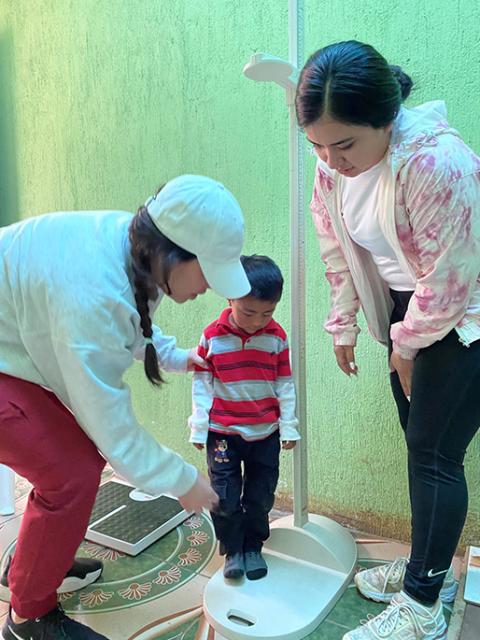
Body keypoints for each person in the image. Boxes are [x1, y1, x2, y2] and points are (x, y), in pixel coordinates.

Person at [0, 174, 251, 640]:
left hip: (13, 350)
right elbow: (112, 431)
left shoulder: (134, 249)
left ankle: (36, 559)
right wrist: (183, 481)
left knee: (68, 461)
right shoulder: (92, 295)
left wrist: (178, 357)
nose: (210, 289)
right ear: (176, 254)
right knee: (70, 471)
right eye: (209, 272)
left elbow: (133, 323)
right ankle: (28, 617)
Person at [295, 41, 480, 640]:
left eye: (344, 144)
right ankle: (432, 571)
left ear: (386, 117)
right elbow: (337, 249)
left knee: (433, 452)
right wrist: (343, 322)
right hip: (410, 310)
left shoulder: (436, 165)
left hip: (464, 314)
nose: (330, 160)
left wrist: (404, 346)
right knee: (420, 445)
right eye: (317, 145)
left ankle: (423, 605)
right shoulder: (330, 168)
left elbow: (451, 280)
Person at [188, 254, 300, 580]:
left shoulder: (276, 337)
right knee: (224, 495)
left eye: (267, 312)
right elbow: (202, 384)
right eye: (248, 311)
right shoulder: (212, 336)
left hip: (266, 432)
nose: (256, 321)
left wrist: (289, 425)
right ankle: (233, 549)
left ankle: (253, 546)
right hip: (222, 433)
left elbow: (285, 384)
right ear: (229, 297)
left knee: (261, 494)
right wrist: (199, 426)